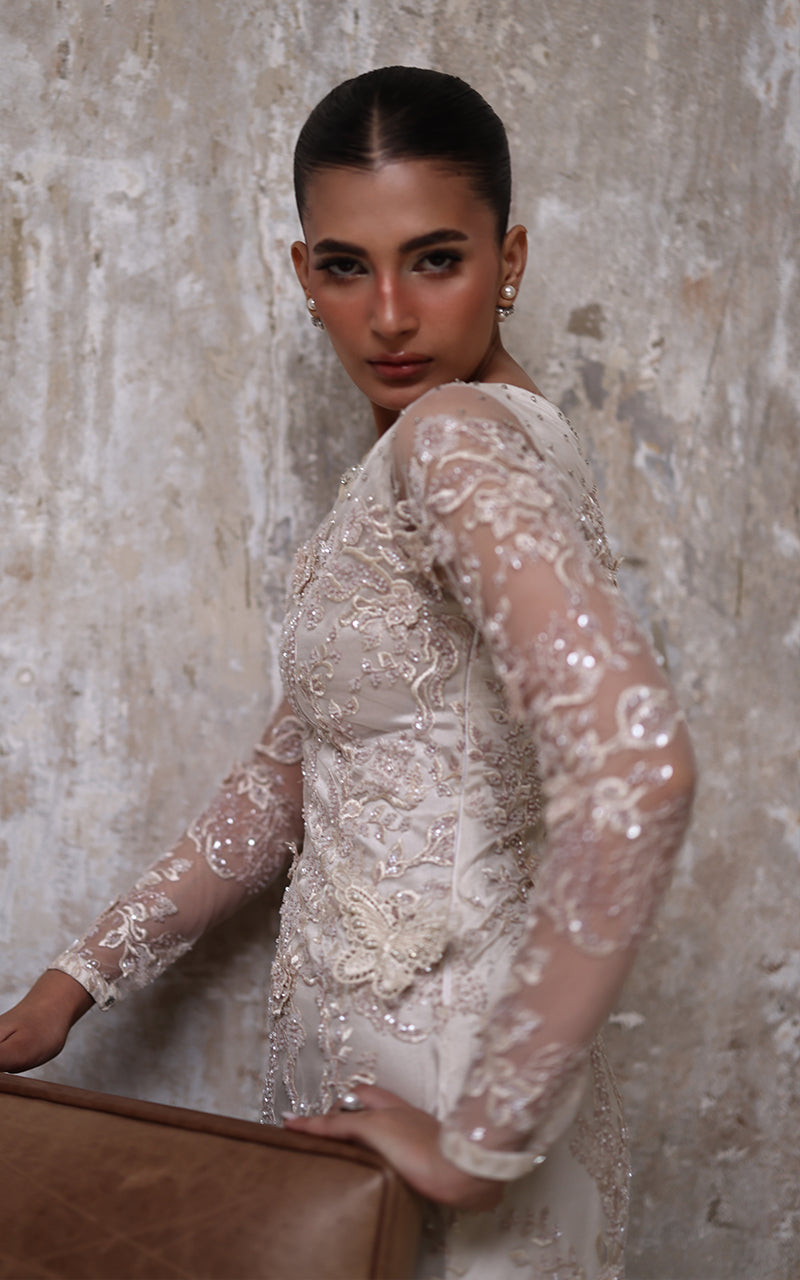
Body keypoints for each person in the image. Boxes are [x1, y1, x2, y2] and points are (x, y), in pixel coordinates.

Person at [0, 67, 695, 1278]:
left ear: (508, 258)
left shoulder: (455, 438)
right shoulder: (433, 461)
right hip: (352, 1071)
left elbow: (636, 762)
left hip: (450, 1078)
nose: (386, 315)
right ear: (301, 274)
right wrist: (74, 982)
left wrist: (480, 1142)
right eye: (343, 265)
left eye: (434, 260)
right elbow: (289, 773)